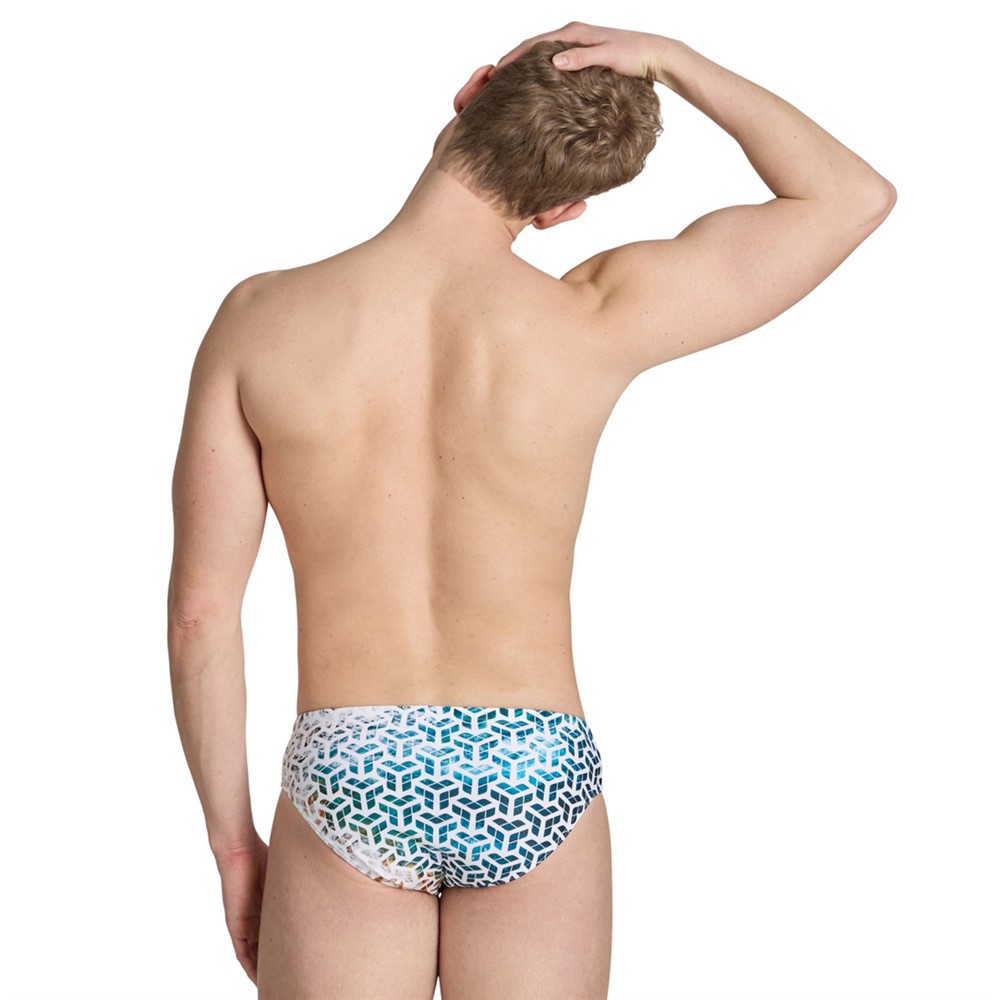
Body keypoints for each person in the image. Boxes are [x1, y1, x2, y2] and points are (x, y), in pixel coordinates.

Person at [167, 21, 894, 999]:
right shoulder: (592, 316)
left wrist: (233, 845)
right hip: (532, 766)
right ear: (562, 208)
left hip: (351, 764)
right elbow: (850, 196)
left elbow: (201, 614)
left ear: (472, 90)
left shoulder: (259, 318)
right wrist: (672, 58)